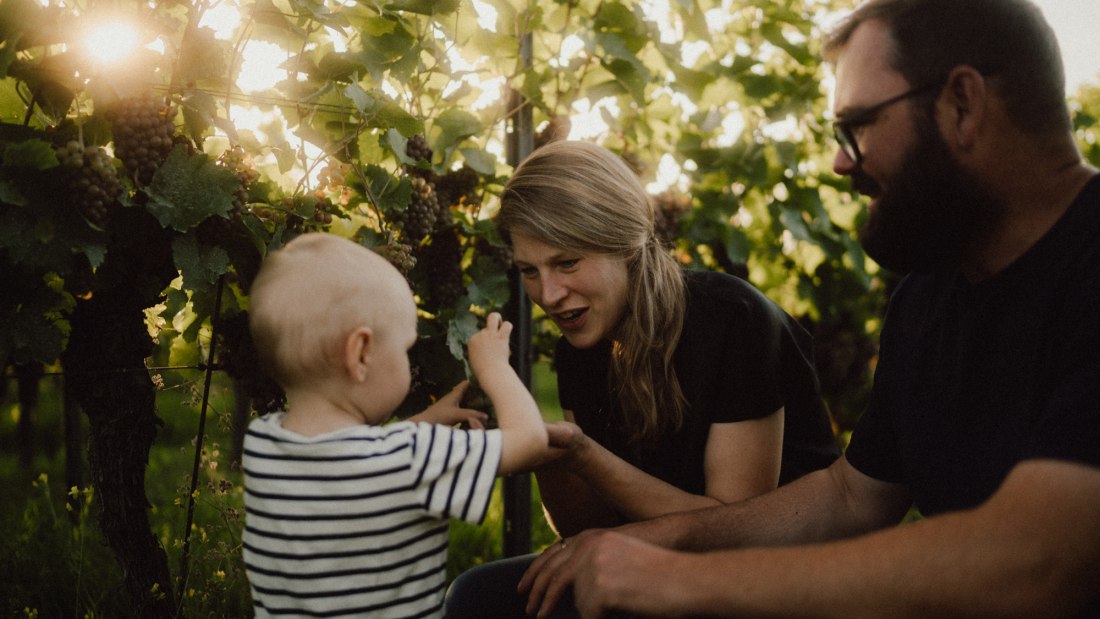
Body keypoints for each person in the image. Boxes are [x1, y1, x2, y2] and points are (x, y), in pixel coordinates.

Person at [517, 0, 1100, 617]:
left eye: (859, 126)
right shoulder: (928, 299)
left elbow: (1037, 563)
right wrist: (665, 537)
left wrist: (676, 580)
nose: (841, 161)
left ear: (962, 103)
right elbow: (852, 499)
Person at [444, 140, 839, 616]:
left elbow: (733, 535)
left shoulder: (734, 321)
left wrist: (586, 457)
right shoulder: (582, 340)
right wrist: (545, 455)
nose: (548, 294)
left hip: (787, 575)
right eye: (530, 270)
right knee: (477, 597)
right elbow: (586, 527)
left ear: (626, 245)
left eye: (567, 262)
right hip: (665, 558)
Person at [240, 232, 549, 618]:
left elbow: (357, 453)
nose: (408, 360)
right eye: (405, 349)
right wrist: (495, 368)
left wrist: (427, 420)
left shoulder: (263, 445)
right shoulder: (413, 457)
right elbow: (531, 440)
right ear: (361, 354)